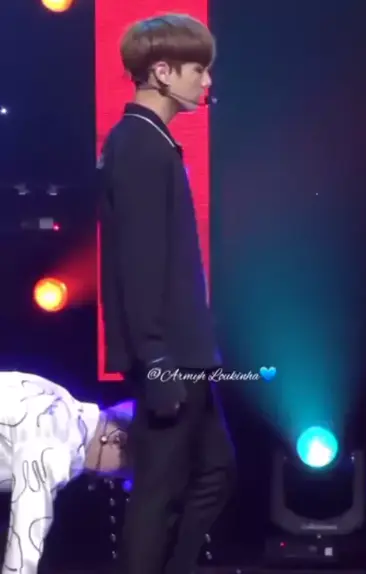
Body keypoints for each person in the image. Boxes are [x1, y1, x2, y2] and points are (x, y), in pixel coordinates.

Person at [97, 12, 235, 574]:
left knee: (214, 472)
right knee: (158, 490)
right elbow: (137, 264)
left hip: (184, 351)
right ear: (161, 71)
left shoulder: (151, 142)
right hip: (169, 355)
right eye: (198, 69)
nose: (207, 81)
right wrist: (155, 359)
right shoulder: (138, 145)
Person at [0, 370, 133, 574]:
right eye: (121, 473)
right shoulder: (61, 442)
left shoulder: (58, 398)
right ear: (117, 441)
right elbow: (24, 547)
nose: (111, 478)